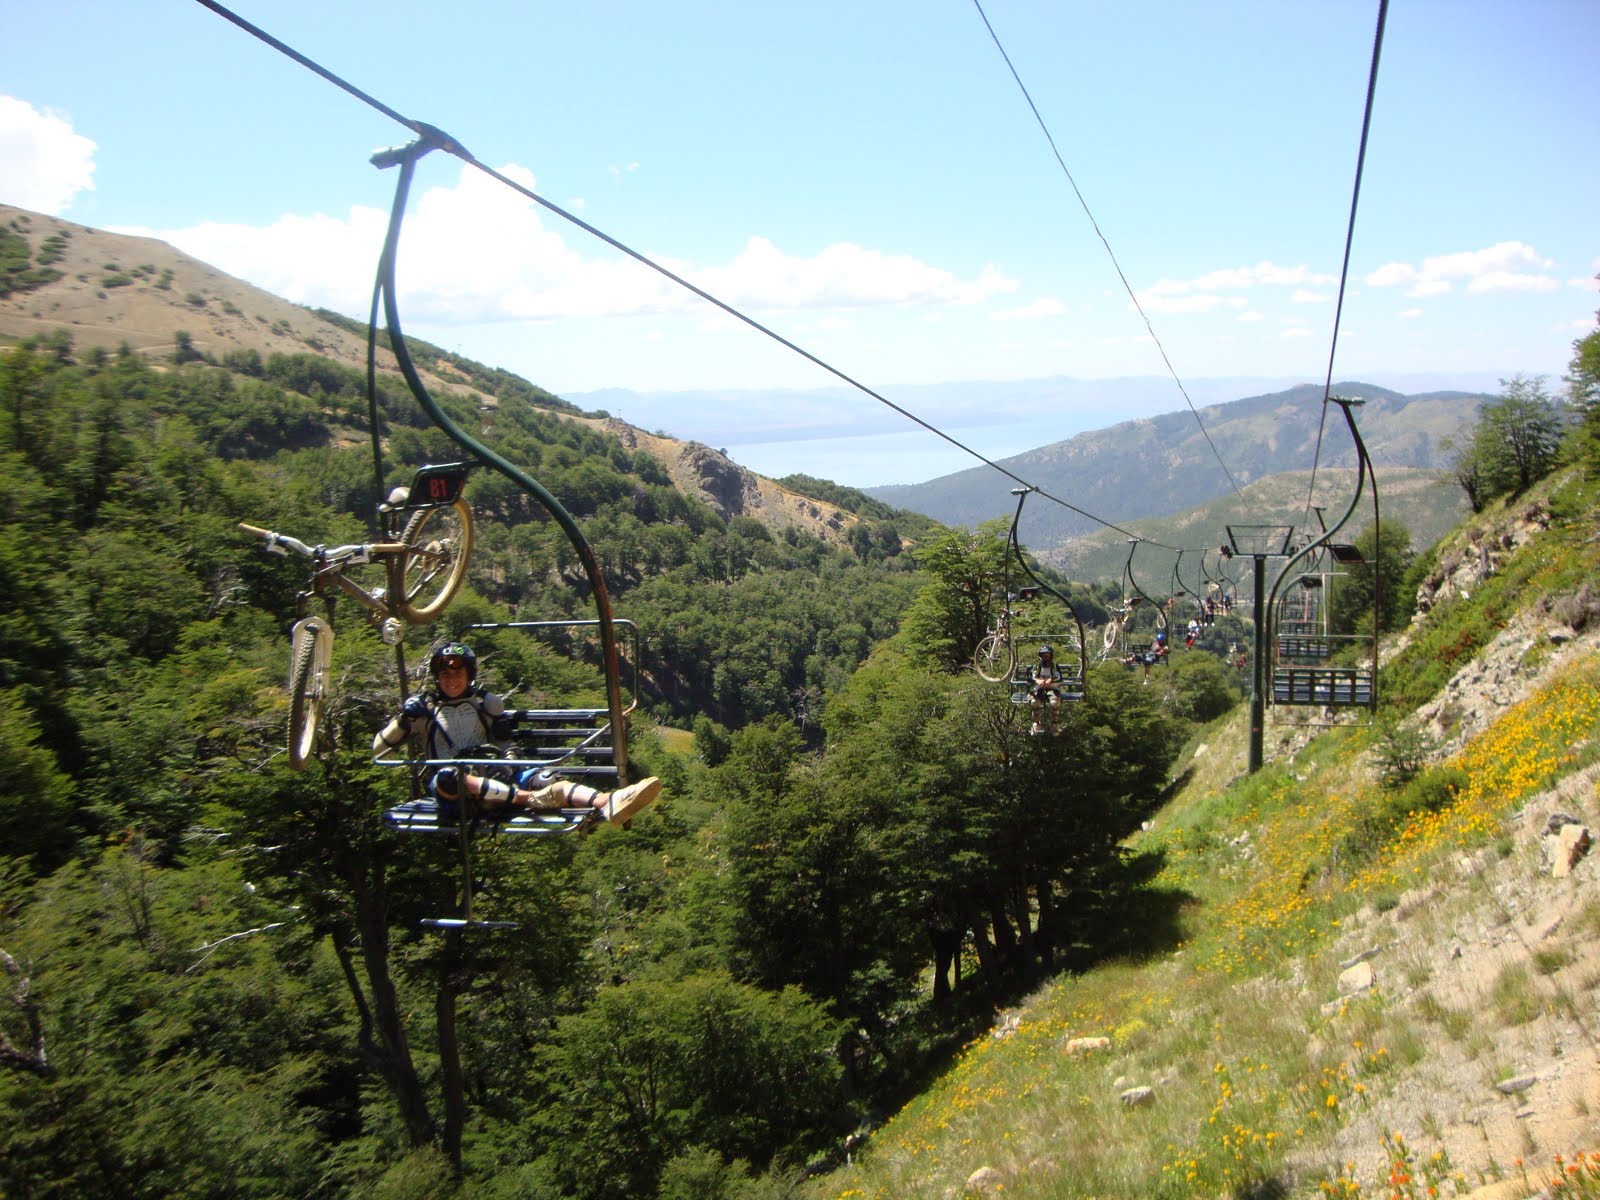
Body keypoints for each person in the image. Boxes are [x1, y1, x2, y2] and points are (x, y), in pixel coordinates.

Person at [373, 642, 661, 823]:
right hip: (454, 795)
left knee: (544, 778)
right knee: (450, 776)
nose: (452, 680)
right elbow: (380, 750)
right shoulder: (424, 711)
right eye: (445, 674)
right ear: (437, 677)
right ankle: (530, 799)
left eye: (458, 673)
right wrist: (403, 720)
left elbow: (505, 743)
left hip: (493, 781)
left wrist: (507, 763)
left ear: (469, 675)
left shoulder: (484, 705)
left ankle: (607, 801)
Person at [1028, 645, 1064, 736]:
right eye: (1043, 655)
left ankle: (1055, 724)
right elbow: (1032, 677)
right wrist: (1038, 681)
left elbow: (1058, 677)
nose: (1046, 657)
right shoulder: (1037, 666)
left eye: (1047, 655)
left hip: (1052, 688)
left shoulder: (1054, 666)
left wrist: (1050, 680)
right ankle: (1036, 723)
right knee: (1034, 702)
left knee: (1055, 702)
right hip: (1039, 688)